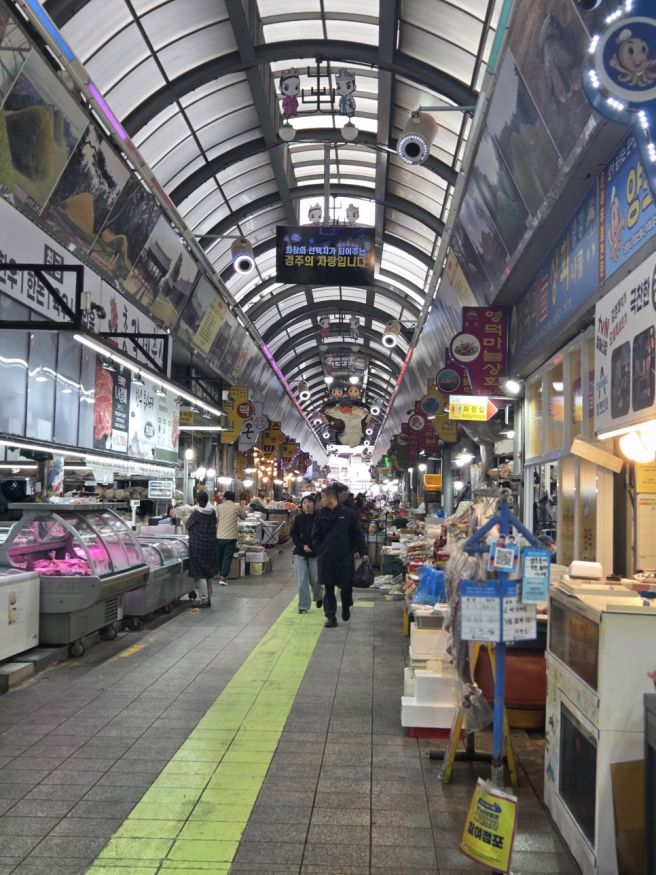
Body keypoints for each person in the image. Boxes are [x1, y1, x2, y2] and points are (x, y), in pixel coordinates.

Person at [312, 484, 368, 628]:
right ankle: (330, 617)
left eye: (323, 497)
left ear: (330, 497)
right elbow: (315, 535)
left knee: (346, 586)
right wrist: (320, 550)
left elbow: (357, 534)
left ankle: (346, 605)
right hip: (326, 558)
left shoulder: (349, 513)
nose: (320, 501)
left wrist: (363, 553)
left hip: (345, 557)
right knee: (328, 588)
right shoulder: (320, 514)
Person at [185, 491, 218, 608]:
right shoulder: (212, 512)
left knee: (199, 574)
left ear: (197, 500)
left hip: (198, 546)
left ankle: (204, 600)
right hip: (211, 545)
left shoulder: (196, 513)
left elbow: (187, 525)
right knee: (208, 573)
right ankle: (208, 597)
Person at [291, 496, 323, 614]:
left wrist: (316, 547)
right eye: (305, 503)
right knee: (302, 580)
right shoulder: (298, 518)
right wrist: (302, 545)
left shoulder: (319, 518)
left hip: (315, 553)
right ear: (302, 505)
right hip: (300, 553)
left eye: (309, 502)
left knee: (316, 579)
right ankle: (303, 606)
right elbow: (294, 535)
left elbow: (322, 535)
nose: (307, 505)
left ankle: (319, 596)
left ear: (314, 504)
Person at [216, 490, 246, 585]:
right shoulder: (236, 507)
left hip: (219, 535)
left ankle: (221, 575)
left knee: (220, 557)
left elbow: (216, 519)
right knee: (227, 557)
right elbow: (244, 516)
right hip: (231, 536)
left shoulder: (219, 507)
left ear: (224, 498)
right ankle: (223, 577)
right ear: (234, 499)